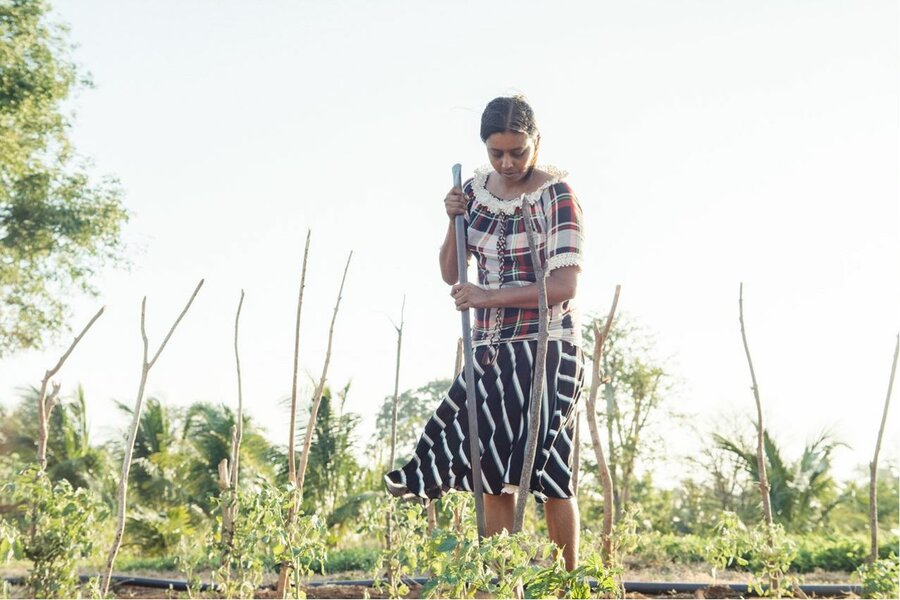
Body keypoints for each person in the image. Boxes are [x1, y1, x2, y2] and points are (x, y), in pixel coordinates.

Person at [384, 95, 585, 570]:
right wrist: (453, 218)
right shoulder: (473, 194)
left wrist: (488, 297)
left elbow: (563, 284)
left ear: (537, 143)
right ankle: (502, 582)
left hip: (548, 348)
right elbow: (452, 273)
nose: (508, 162)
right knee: (491, 473)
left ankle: (566, 584)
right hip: (491, 350)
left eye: (518, 151)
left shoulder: (557, 195)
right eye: (497, 153)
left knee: (550, 471)